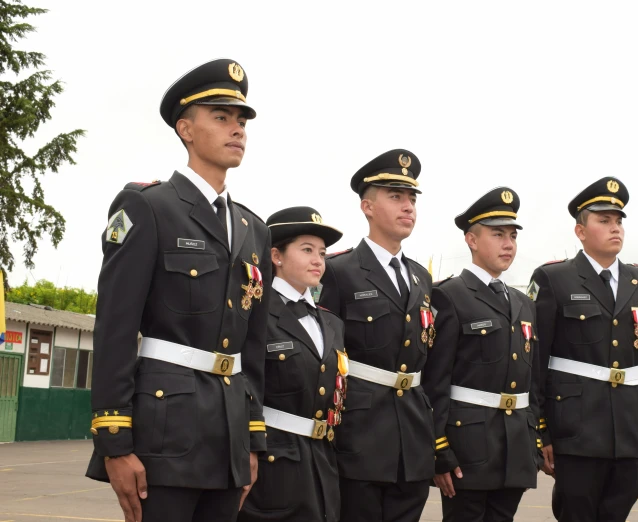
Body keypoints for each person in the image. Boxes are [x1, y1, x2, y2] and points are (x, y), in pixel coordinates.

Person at [86, 58, 272, 522]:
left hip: (228, 434)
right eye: (221, 117)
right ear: (185, 129)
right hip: (164, 434)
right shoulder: (149, 207)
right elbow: (115, 327)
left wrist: (252, 440)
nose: (238, 130)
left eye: (242, 120)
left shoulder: (254, 229)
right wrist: (114, 439)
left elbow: (253, 346)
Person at [528, 177, 638, 522]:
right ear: (580, 231)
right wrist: (541, 430)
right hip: (576, 431)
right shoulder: (554, 279)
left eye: (618, 221)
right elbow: (534, 363)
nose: (614, 228)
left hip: (632, 429)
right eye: (603, 221)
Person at [318, 149, 435, 522]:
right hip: (360, 436)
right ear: (368, 206)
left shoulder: (421, 277)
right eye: (396, 197)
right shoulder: (338, 271)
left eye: (412, 198)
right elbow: (322, 357)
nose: (408, 207)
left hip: (412, 438)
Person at [422, 187, 542, 522]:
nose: (508, 244)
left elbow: (533, 379)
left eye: (513, 236)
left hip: (515, 444)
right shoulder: (449, 296)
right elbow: (435, 380)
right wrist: (438, 445)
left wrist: (534, 430)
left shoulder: (523, 304)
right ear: (472, 240)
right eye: (498, 234)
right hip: (468, 446)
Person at [239, 206, 347, 522]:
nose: (318, 260)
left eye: (323, 253)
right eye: (307, 250)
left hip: (321, 462)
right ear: (276, 255)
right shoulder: (255, 311)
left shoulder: (331, 323)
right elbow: (244, 388)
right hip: (272, 463)